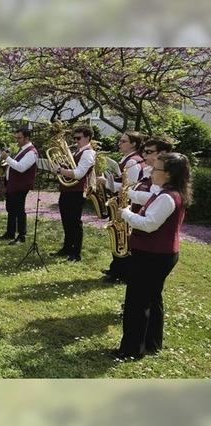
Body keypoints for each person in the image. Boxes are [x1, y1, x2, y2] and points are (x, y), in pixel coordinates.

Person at [112, 152, 191, 360]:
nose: (151, 171)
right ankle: (152, 343)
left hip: (153, 255)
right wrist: (127, 194)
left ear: (168, 174)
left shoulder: (167, 197)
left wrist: (126, 214)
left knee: (136, 303)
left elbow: (148, 225)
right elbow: (146, 199)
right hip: (160, 254)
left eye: (156, 169)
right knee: (152, 299)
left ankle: (130, 350)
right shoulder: (167, 193)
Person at [100, 131, 145, 283]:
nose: (119, 143)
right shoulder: (128, 159)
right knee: (119, 236)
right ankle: (116, 268)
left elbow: (128, 188)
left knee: (122, 237)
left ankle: (122, 272)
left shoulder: (133, 162)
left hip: (125, 204)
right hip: (120, 202)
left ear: (133, 144)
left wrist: (105, 182)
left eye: (123, 141)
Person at [51, 126, 96, 262]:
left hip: (77, 191)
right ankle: (67, 248)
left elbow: (78, 174)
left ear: (87, 138)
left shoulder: (88, 153)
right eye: (74, 138)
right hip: (67, 190)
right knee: (66, 221)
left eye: (78, 138)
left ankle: (76, 253)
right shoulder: (78, 151)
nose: (75, 141)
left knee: (75, 223)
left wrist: (60, 170)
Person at [0, 128, 38, 244]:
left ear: (27, 138)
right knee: (11, 209)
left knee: (19, 210)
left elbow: (21, 167)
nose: (17, 140)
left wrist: (7, 158)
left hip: (21, 185)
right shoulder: (22, 150)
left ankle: (22, 235)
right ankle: (10, 233)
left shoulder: (31, 152)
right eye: (16, 138)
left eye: (19, 138)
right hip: (13, 184)